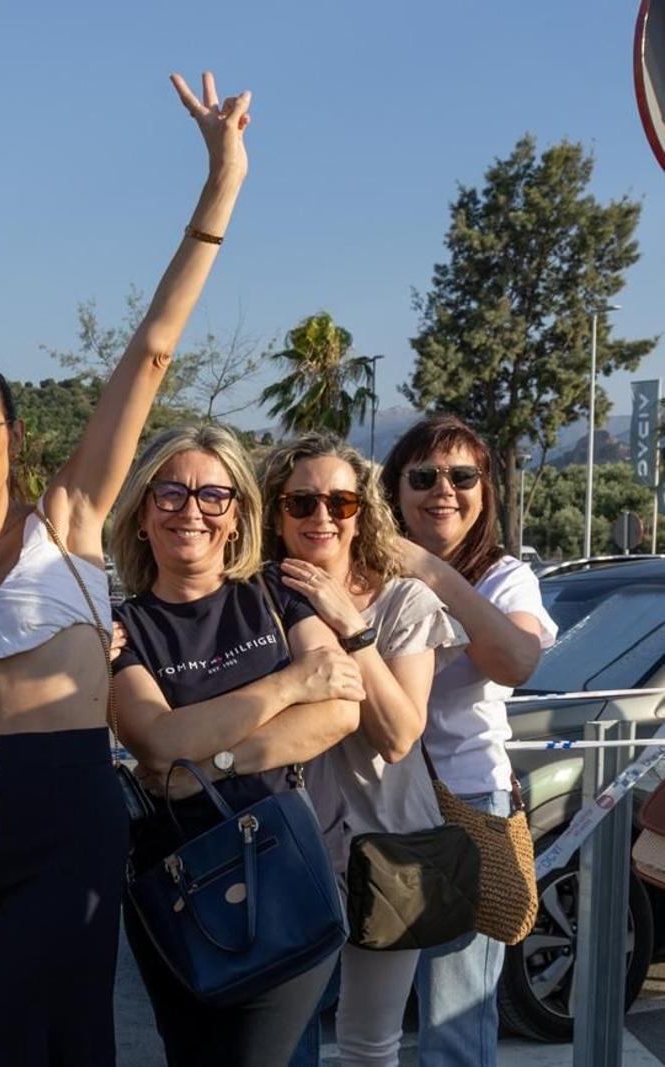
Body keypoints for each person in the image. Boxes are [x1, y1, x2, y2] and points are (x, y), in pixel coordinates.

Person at [0, 72, 254, 1065]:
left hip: (67, 805)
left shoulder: (70, 517)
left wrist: (218, 185)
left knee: (13, 1040)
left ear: (9, 433)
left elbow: (148, 354)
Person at [109, 423, 364, 1067]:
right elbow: (162, 741)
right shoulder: (120, 630)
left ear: (237, 516)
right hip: (177, 889)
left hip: (294, 871)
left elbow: (340, 707)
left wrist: (216, 764)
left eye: (212, 496)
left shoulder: (276, 593)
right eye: (169, 493)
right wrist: (290, 683)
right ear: (143, 512)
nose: (190, 510)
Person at [259, 433, 465, 1067]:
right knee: (275, 1043)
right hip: (284, 850)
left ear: (362, 510)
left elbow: (399, 734)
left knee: (370, 1047)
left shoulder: (407, 601)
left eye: (340, 502)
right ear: (274, 512)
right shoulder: (251, 600)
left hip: (389, 851)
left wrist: (348, 621)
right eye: (302, 503)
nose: (322, 517)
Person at [381, 416, 557, 1066]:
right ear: (395, 489)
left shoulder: (504, 577)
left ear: (486, 489)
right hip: (367, 802)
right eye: (423, 476)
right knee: (352, 1013)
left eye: (462, 476)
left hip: (463, 808)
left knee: (453, 1020)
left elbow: (515, 660)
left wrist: (428, 570)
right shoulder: (365, 571)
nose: (443, 491)